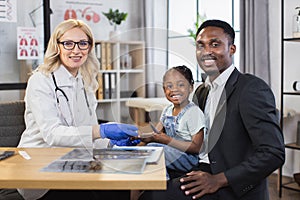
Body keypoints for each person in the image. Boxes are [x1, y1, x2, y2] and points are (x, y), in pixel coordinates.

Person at [140, 19, 285, 200]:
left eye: (215, 44)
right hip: (198, 166)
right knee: (141, 185)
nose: (206, 51)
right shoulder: (201, 91)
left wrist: (218, 180)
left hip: (228, 183)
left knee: (153, 197)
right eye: (201, 45)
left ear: (231, 49)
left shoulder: (251, 88)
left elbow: (273, 153)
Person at [17, 19, 139, 200]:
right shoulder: (41, 80)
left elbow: (86, 131)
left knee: (120, 188)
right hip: (40, 166)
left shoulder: (86, 80)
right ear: (57, 46)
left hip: (74, 162)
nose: (76, 50)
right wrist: (101, 130)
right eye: (68, 43)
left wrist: (111, 144)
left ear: (90, 47)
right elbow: (52, 134)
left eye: (83, 43)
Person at [140, 65, 206, 178]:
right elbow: (156, 133)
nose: (174, 89)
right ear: (164, 89)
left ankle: (163, 183)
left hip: (188, 159)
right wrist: (142, 139)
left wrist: (167, 140)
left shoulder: (193, 113)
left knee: (155, 150)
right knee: (147, 147)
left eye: (181, 85)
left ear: (191, 87)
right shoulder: (167, 110)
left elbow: (196, 148)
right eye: (169, 86)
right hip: (171, 152)